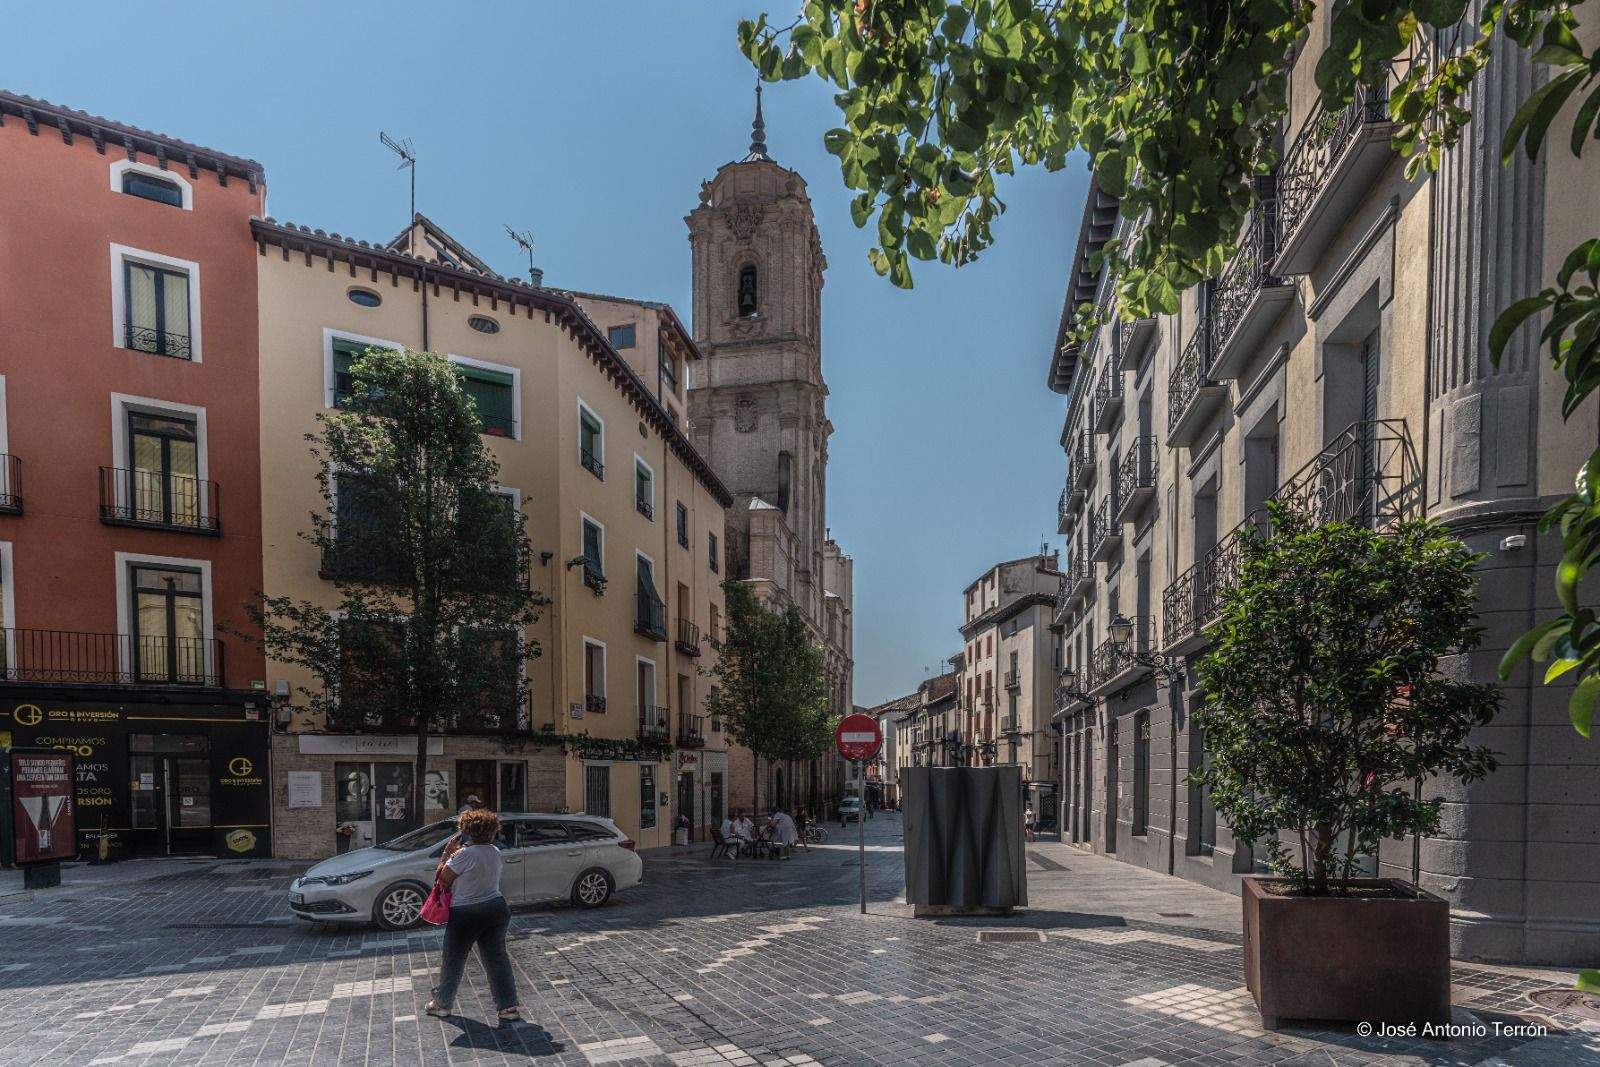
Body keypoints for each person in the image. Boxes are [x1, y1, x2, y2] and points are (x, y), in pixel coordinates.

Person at [426, 809, 521, 1025]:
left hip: (466, 912)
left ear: (467, 830)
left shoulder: (463, 855)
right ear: (492, 831)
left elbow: (442, 879)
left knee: (454, 960)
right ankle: (508, 1007)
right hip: (496, 908)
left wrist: (447, 853)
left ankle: (442, 1004)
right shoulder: (494, 851)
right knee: (497, 958)